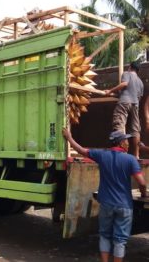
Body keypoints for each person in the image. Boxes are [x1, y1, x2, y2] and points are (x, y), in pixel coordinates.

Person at [62, 128, 147, 262]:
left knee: (105, 236)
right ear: (120, 143)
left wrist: (69, 137)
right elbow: (142, 183)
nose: (128, 143)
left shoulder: (102, 155)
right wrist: (143, 193)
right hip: (124, 205)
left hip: (106, 204)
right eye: (126, 140)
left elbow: (81, 151)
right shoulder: (130, 160)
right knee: (120, 239)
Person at [105, 61, 144, 158]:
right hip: (135, 104)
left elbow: (124, 84)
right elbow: (139, 97)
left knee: (120, 125)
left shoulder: (127, 74)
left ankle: (122, 154)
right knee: (135, 130)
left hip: (124, 102)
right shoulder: (140, 82)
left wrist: (110, 91)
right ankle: (136, 155)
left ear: (130, 67)